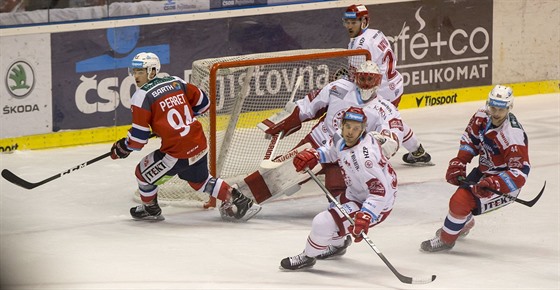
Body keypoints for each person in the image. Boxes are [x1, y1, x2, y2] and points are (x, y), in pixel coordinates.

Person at [110, 52, 261, 221]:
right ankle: (241, 201)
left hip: (177, 152)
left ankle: (150, 209)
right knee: (201, 181)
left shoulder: (141, 96)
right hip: (199, 144)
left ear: (152, 71)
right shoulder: (176, 82)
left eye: (140, 72)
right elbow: (204, 104)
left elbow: (138, 140)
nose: (136, 76)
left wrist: (122, 147)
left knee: (142, 174)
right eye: (134, 71)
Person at [253, 60, 401, 204]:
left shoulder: (385, 109)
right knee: (278, 175)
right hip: (315, 143)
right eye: (362, 78)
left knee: (341, 192)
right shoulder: (339, 87)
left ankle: (345, 213)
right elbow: (309, 105)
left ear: (378, 81)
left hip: (346, 155)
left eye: (370, 79)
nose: (366, 83)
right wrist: (289, 118)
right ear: (356, 77)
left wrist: (379, 142)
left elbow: (392, 140)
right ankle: (241, 198)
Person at [279, 107, 398, 270]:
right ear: (342, 125)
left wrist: (366, 215)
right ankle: (338, 246)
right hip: (356, 192)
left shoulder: (365, 158)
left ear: (363, 130)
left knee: (323, 222)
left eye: (356, 129)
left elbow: (379, 192)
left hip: (377, 203)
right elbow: (331, 150)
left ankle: (308, 256)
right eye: (348, 126)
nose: (350, 132)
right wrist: (315, 155)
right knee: (334, 212)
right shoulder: (340, 137)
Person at [420, 85, 530, 252]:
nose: (496, 113)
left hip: (505, 184)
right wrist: (459, 161)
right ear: (488, 104)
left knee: (459, 202)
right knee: (460, 203)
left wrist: (494, 183)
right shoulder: (481, 115)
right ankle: (465, 222)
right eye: (493, 107)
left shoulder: (512, 134)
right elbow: (470, 140)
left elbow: (520, 172)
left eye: (501, 109)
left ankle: (446, 240)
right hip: (484, 171)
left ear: (510, 108)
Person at [343, 4, 432, 165]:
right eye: (347, 22)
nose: (349, 26)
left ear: (364, 21)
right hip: (393, 84)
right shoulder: (375, 33)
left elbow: (358, 78)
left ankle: (369, 158)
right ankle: (418, 151)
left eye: (353, 22)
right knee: (393, 121)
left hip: (381, 91)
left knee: (377, 122)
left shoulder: (359, 45)